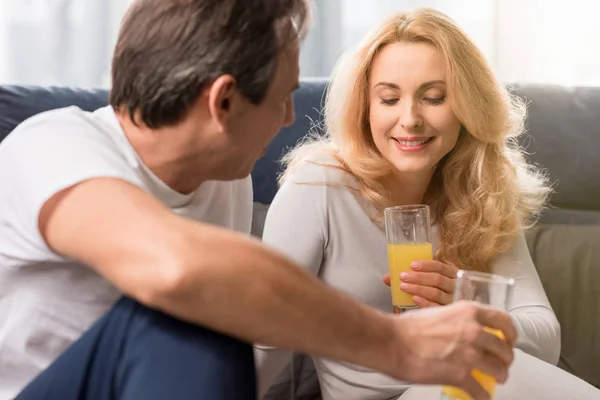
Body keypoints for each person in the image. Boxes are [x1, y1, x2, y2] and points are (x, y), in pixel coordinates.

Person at [0, 2, 518, 400]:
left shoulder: (225, 180)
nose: (291, 118)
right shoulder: (51, 146)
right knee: (189, 314)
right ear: (223, 102)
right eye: (283, 96)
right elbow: (176, 269)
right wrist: (398, 345)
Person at [255, 7, 600, 400]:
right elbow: (266, 336)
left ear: (468, 106)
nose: (410, 119)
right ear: (365, 109)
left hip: (460, 389)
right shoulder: (320, 185)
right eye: (388, 99)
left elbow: (545, 335)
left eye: (433, 97)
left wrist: (465, 302)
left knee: (493, 371)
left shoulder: (482, 191)